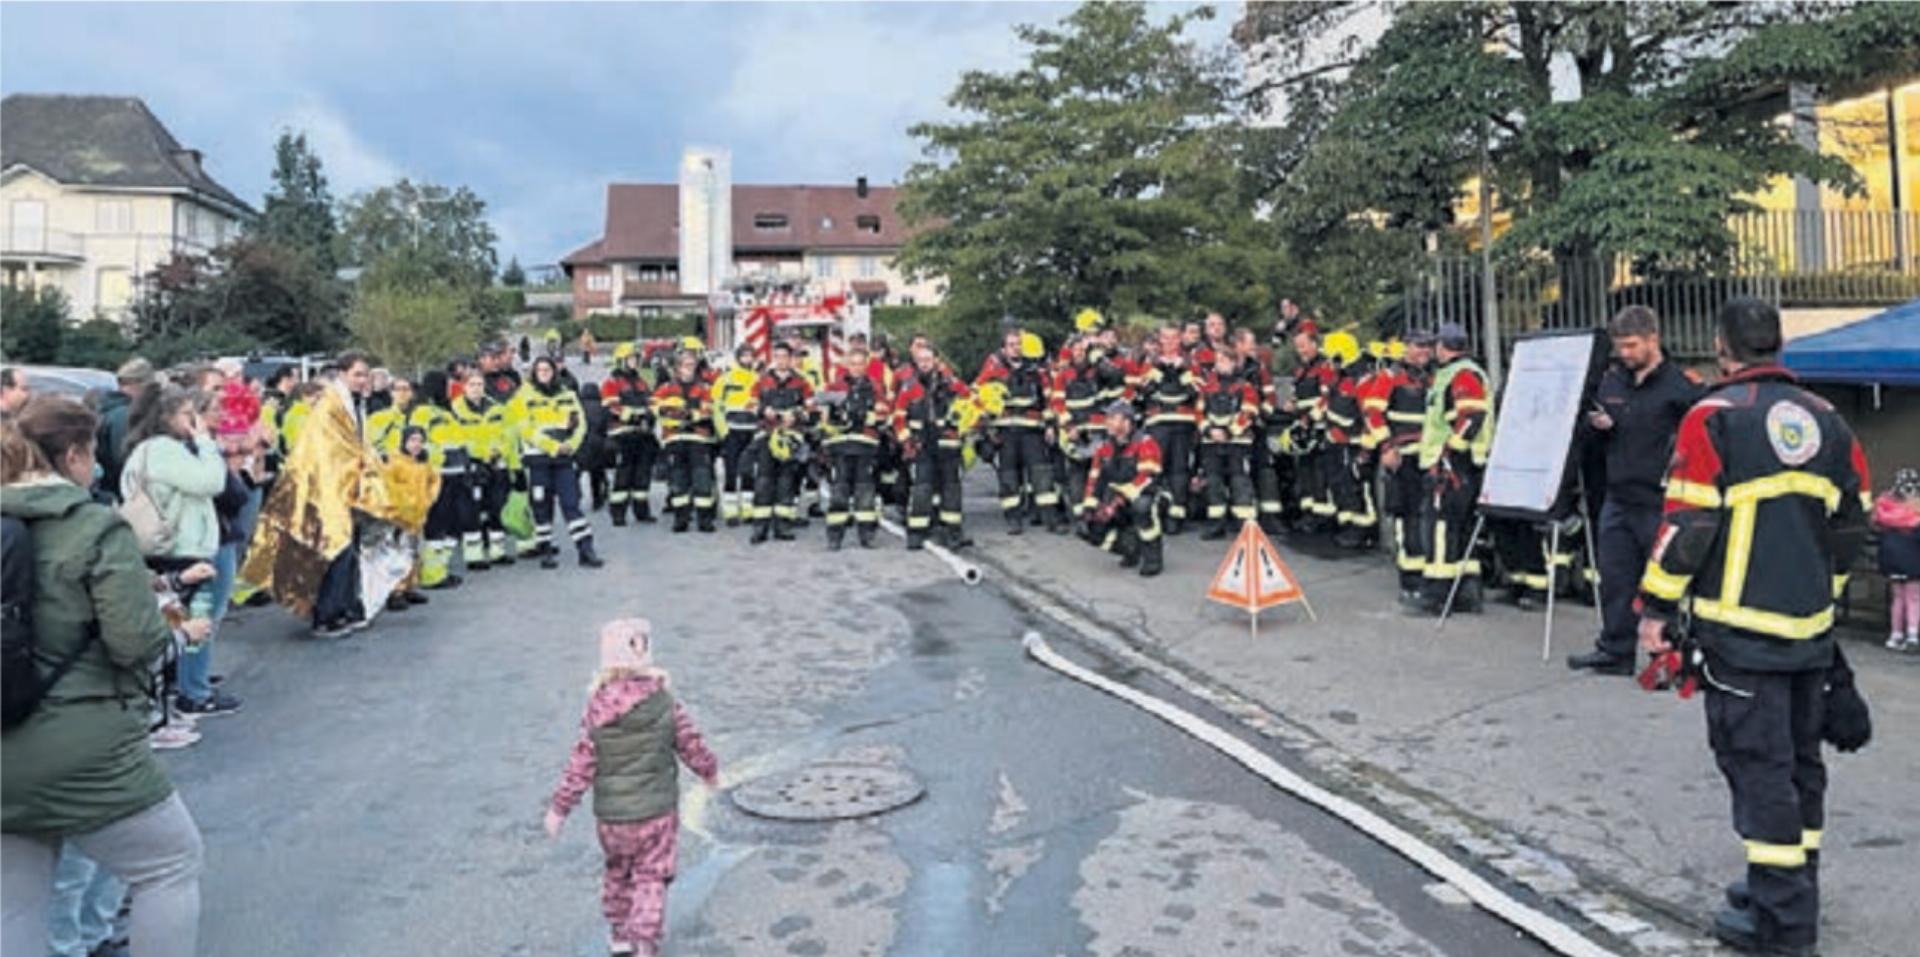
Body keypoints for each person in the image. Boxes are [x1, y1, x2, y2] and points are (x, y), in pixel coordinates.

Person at [1635, 297, 1870, 957]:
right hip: (1809, 632)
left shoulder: (1713, 419)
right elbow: (1852, 526)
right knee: (1800, 765)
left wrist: (1655, 611)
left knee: (1759, 771)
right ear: (1779, 347)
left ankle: (1783, 926)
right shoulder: (1828, 421)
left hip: (1740, 637)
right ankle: (1792, 886)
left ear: (1722, 348)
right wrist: (1822, 595)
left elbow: (1688, 526)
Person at [1, 399, 206, 957]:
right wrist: (179, 633)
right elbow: (135, 641)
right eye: (93, 456)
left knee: (16, 902)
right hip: (85, 750)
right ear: (73, 455)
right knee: (169, 864)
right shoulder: (93, 526)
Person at [544, 619, 720, 957]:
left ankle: (620, 934)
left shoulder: (597, 708)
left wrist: (559, 809)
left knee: (618, 871)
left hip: (612, 819)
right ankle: (644, 940)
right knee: (652, 875)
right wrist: (709, 772)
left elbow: (580, 764)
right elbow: (690, 744)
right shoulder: (664, 702)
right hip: (657, 814)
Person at [1568, 306, 1709, 674]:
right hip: (1617, 497)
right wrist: (1597, 426)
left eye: (1631, 345)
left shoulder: (1683, 387)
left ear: (1653, 339)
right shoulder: (1612, 381)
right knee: (1615, 577)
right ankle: (1615, 649)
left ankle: (1668, 657)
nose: (1625, 353)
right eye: (1620, 347)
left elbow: (1706, 441)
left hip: (1660, 502)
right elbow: (1588, 437)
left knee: (1663, 585)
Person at [243, 352, 397, 638]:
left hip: (345, 486)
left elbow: (356, 445)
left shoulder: (351, 404)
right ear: (342, 374)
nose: (363, 381)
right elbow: (331, 451)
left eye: (366, 375)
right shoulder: (330, 406)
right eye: (358, 374)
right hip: (327, 488)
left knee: (348, 550)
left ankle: (346, 606)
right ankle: (327, 614)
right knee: (334, 549)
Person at [121, 388, 239, 717]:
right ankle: (194, 693)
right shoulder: (163, 451)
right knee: (196, 620)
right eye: (189, 414)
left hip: (171, 545)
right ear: (168, 417)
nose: (196, 420)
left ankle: (187, 685)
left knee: (179, 619)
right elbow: (211, 482)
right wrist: (205, 443)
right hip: (183, 548)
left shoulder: (146, 451)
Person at [1415, 323, 1493, 614]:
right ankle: (1466, 593)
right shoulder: (1457, 373)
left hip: (1453, 464)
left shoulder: (1462, 374)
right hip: (1461, 463)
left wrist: (1448, 456)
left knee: (1442, 528)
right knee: (1460, 528)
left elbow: (1471, 417)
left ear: (1443, 346)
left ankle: (1437, 594)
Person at [513, 356, 604, 570]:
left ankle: (586, 549)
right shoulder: (523, 397)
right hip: (538, 460)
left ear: (554, 371)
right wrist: (552, 446)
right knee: (542, 507)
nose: (544, 373)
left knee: (571, 504)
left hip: (564, 460)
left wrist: (570, 446)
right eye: (540, 369)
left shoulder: (568, 395)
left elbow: (579, 425)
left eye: (548, 369)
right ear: (534, 373)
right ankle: (545, 550)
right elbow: (525, 429)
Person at [895, 344, 973, 551]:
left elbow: (973, 403)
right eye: (920, 360)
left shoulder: (951, 383)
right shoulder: (909, 387)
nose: (924, 364)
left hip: (949, 444)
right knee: (922, 488)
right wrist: (906, 442)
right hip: (923, 446)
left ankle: (953, 532)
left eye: (928, 360)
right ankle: (916, 533)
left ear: (937, 360)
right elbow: (899, 417)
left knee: (951, 490)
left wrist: (963, 427)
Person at [1379, 331, 1435, 603]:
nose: (1424, 351)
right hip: (1402, 459)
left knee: (1428, 519)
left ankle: (1428, 578)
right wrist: (1386, 447)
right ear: (1407, 349)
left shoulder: (1433, 376)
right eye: (1418, 346)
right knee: (1408, 519)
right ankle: (1410, 581)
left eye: (1428, 346)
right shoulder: (1391, 377)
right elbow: (1372, 412)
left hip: (1429, 459)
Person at [992, 332, 1067, 535]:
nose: (1016, 348)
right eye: (1011, 345)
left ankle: (1050, 518)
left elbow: (1049, 400)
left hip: (1032, 432)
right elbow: (980, 402)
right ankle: (1013, 519)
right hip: (1006, 434)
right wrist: (986, 432)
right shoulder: (994, 373)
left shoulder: (1037, 373)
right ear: (1003, 349)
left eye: (1019, 344)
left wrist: (1050, 425)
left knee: (1042, 475)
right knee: (1009, 478)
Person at [1081, 400, 1165, 577]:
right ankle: (1130, 549)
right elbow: (1095, 477)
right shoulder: (1105, 447)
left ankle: (1153, 558)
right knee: (1090, 527)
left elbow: (1147, 477)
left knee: (1141, 509)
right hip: (1117, 494)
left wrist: (1117, 502)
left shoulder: (1145, 443)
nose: (1108, 422)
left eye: (1113, 418)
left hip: (1145, 492)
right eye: (1108, 418)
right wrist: (1090, 505)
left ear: (1127, 422)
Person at [821, 341, 890, 550]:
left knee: (865, 492)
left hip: (866, 445)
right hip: (841, 446)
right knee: (839, 492)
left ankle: (866, 535)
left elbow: (884, 411)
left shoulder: (875, 386)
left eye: (860, 364)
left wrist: (873, 415)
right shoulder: (834, 388)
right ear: (846, 365)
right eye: (853, 363)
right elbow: (824, 416)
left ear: (866, 365)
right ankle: (835, 536)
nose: (856, 367)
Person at [747, 341, 815, 545]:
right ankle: (760, 527)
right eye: (777, 357)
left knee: (786, 482)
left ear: (791, 359)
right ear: (773, 358)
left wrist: (797, 415)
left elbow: (811, 406)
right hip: (767, 436)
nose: (781, 361)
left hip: (791, 438)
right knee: (764, 481)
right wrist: (763, 411)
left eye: (785, 357)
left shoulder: (801, 382)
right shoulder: (763, 381)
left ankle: (783, 526)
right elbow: (750, 403)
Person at [1137, 327, 1202, 534]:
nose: (1170, 342)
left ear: (1180, 339)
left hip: (1183, 421)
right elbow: (1145, 390)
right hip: (1158, 422)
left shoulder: (1190, 362)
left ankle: (1176, 516)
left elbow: (1195, 390)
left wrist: (1180, 371)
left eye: (1174, 338)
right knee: (1155, 469)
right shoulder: (1150, 362)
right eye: (1166, 338)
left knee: (1179, 470)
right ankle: (1154, 513)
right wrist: (1161, 369)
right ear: (1160, 340)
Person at [450, 371, 517, 570]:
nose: (477, 388)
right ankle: (474, 555)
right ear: (464, 387)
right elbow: (457, 438)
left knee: (497, 507)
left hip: (496, 464)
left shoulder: (497, 409)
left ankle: (498, 551)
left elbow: (509, 433)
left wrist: (501, 452)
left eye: (480, 384)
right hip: (472, 464)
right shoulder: (455, 410)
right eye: (472, 385)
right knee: (472, 512)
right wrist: (482, 453)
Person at [651, 351, 719, 534]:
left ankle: (705, 519)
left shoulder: (704, 388)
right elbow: (653, 405)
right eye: (686, 364)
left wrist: (690, 415)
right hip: (674, 438)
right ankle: (681, 518)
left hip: (698, 437)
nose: (689, 368)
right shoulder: (666, 388)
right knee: (678, 479)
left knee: (702, 479)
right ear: (677, 367)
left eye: (692, 365)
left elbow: (710, 410)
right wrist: (667, 411)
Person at [411, 370, 467, 591]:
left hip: (455, 472)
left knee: (453, 523)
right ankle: (432, 574)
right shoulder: (422, 413)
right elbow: (419, 443)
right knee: (436, 525)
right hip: (437, 474)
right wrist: (438, 459)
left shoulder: (445, 411)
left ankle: (440, 568)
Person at [601, 345, 659, 527]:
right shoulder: (612, 382)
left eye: (636, 358)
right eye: (631, 359)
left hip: (642, 433)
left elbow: (652, 401)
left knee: (643, 474)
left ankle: (642, 511)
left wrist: (650, 414)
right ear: (621, 360)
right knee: (623, 475)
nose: (634, 362)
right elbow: (611, 407)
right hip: (622, 434)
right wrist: (632, 415)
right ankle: (618, 513)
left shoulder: (641, 382)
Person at [93, 357, 156, 502]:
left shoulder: (108, 409)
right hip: (124, 496)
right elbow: (125, 461)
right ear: (139, 385)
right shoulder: (124, 416)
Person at [714, 345, 761, 526]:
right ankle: (730, 511)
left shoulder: (758, 379)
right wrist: (723, 431)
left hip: (752, 430)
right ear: (738, 358)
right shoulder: (726, 379)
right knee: (731, 471)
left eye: (750, 355)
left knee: (749, 472)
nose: (748, 359)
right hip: (732, 431)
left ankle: (748, 510)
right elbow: (717, 406)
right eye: (744, 356)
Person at [1873, 468, 1920, 650]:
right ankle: (1913, 634)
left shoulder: (1885, 511)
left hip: (1891, 562)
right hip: (1914, 563)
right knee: (1914, 598)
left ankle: (1895, 635)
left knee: (1898, 598)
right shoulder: (1916, 514)